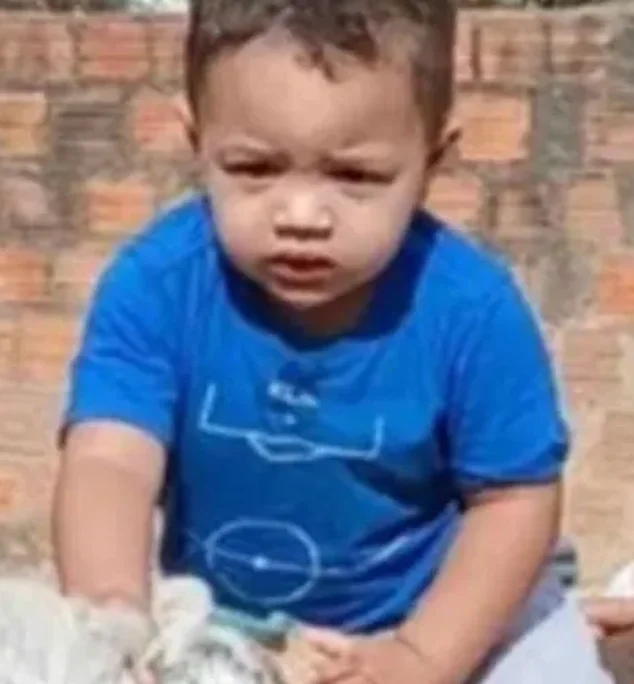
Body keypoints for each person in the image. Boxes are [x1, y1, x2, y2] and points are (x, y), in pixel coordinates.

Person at [52, 1, 613, 682]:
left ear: (432, 160)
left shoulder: (473, 312)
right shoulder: (158, 286)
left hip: (446, 613)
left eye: (355, 177)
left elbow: (513, 501)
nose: (301, 215)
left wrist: (422, 658)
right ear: (196, 142)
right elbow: (109, 460)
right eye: (255, 168)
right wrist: (115, 617)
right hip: (230, 624)